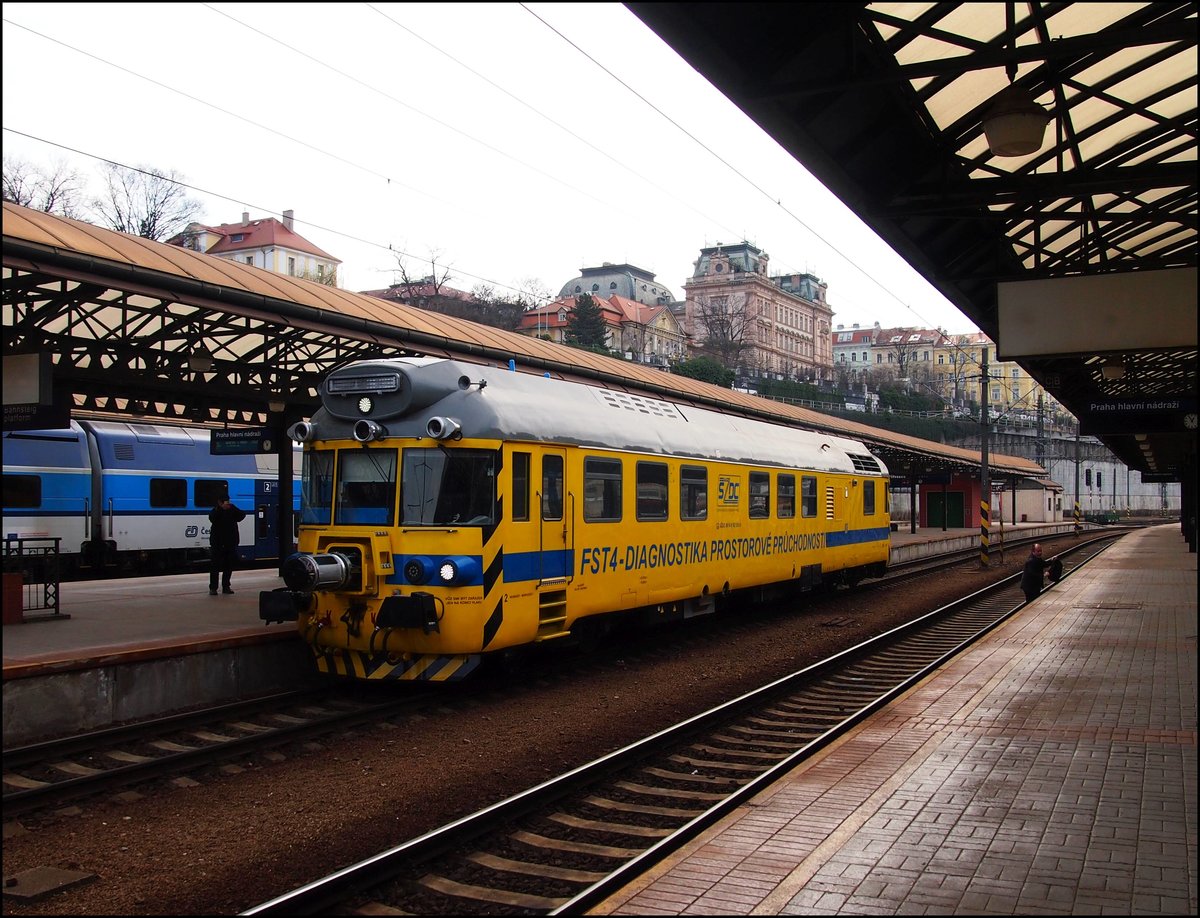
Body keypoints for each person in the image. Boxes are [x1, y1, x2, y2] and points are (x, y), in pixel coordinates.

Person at [208, 496, 246, 595]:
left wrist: (233, 508)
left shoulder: (232, 509)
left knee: (228, 566)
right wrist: (220, 509)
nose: (227, 503)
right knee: (215, 566)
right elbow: (212, 518)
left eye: (228, 501)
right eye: (225, 502)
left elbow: (242, 515)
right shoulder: (216, 510)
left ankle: (226, 586)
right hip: (217, 543)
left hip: (230, 542)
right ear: (220, 502)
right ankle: (213, 588)